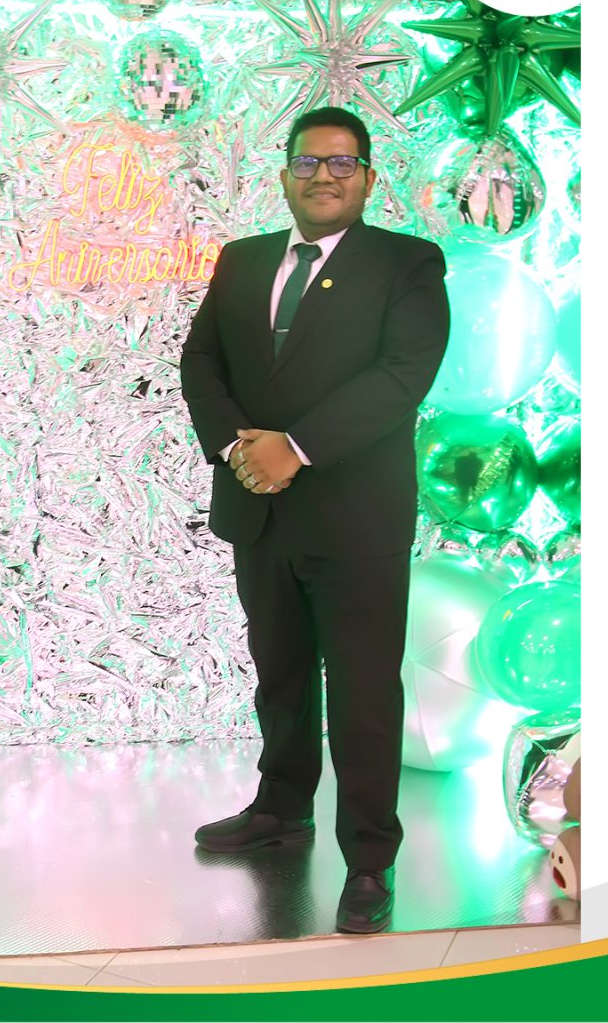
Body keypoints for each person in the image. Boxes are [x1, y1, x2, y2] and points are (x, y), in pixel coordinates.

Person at [179, 106, 450, 934]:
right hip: (258, 508)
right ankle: (280, 808)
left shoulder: (406, 263)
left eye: (341, 163)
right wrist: (239, 447)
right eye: (308, 162)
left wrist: (295, 447)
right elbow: (201, 360)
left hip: (355, 517)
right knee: (282, 676)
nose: (323, 175)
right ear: (285, 175)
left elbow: (402, 374)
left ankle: (369, 859)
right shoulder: (243, 259)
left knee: (363, 691)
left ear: (368, 177)